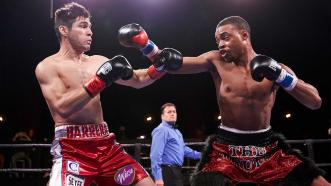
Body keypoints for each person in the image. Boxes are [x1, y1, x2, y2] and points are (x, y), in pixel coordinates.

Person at [118, 17, 330, 185]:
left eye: (225, 37)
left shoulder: (275, 68)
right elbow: (170, 63)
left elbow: (315, 102)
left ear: (244, 35)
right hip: (227, 149)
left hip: (268, 148)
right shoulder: (215, 61)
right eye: (218, 40)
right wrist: (145, 44)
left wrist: (281, 76)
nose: (220, 44)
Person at [35, 2, 182, 186]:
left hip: (105, 145)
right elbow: (61, 108)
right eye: (83, 26)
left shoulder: (99, 61)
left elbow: (139, 80)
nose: (90, 32)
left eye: (90, 26)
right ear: (64, 30)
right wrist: (100, 80)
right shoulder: (47, 66)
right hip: (72, 148)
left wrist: (160, 66)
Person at [150, 103, 201, 186]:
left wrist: (202, 155)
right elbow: (155, 155)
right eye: (169, 112)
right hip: (166, 172)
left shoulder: (177, 132)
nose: (172, 114)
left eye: (174, 111)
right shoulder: (161, 130)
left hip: (176, 172)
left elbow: (183, 149)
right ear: (162, 116)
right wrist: (158, 177)